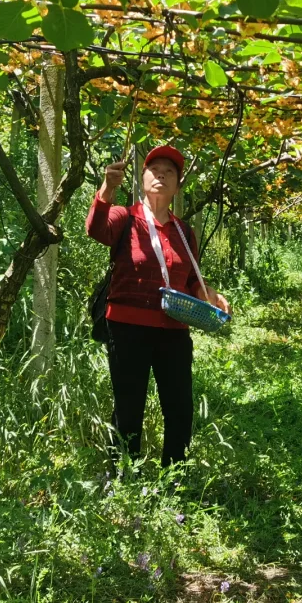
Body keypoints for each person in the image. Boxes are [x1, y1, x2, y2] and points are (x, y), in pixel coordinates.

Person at [87, 145, 229, 469]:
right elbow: (96, 229)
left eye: (170, 171)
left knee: (180, 407)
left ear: (178, 185)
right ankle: (121, 476)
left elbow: (191, 278)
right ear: (142, 179)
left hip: (173, 330)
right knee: (128, 406)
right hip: (127, 329)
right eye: (154, 169)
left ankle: (174, 477)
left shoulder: (184, 231)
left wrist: (208, 293)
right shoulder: (127, 217)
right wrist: (107, 189)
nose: (162, 174)